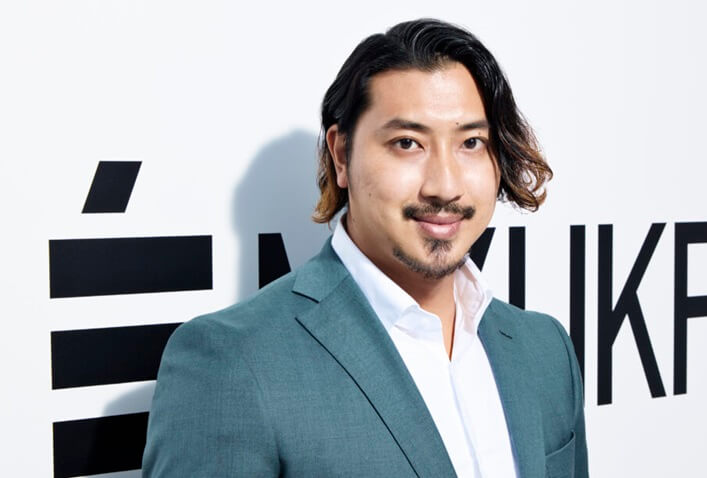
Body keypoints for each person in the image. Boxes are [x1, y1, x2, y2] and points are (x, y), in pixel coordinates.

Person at [142, 18, 589, 477]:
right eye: (407, 143)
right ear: (341, 155)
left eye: (471, 143)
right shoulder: (231, 362)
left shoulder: (545, 349)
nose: (445, 185)